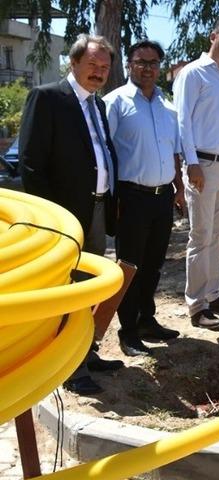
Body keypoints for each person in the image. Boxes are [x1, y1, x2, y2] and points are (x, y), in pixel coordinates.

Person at [19, 33, 123, 395]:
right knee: (68, 290)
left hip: (96, 210)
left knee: (88, 288)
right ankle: (69, 367)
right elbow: (31, 165)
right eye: (92, 65)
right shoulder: (47, 98)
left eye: (105, 67)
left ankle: (86, 352)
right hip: (65, 219)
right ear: (74, 63)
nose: (99, 72)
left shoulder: (98, 105)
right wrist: (52, 223)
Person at [104, 39, 182, 357]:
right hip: (131, 198)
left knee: (153, 265)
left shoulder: (168, 108)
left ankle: (148, 320)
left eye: (153, 63)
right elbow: (105, 154)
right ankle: (129, 330)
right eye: (141, 62)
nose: (147, 68)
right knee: (130, 266)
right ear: (129, 65)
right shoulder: (115, 102)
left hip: (163, 197)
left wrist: (178, 190)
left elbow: (173, 153)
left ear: (159, 68)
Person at [174, 17, 219, 330]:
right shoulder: (193, 73)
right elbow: (182, 122)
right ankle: (197, 306)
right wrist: (191, 163)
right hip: (203, 166)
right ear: (213, 36)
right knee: (201, 236)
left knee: (218, 235)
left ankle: (214, 295)